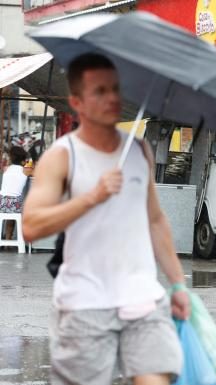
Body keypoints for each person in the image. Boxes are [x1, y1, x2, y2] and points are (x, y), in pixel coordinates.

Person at [22, 53, 190, 385]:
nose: (112, 98)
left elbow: (155, 220)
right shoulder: (61, 157)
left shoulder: (140, 151)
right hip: (85, 303)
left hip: (143, 298)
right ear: (77, 102)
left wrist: (178, 284)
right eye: (99, 91)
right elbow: (31, 226)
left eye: (115, 89)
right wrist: (91, 197)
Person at [0, 146, 30, 242]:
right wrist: (27, 159)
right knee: (18, 204)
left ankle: (7, 238)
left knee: (7, 213)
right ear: (23, 157)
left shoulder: (6, 169)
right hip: (15, 204)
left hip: (1, 202)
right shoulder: (26, 169)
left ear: (11, 157)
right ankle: (9, 239)